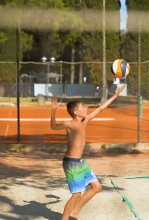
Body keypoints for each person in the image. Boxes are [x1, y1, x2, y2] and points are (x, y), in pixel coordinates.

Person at [50, 85, 125, 220]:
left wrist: (115, 95)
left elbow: (101, 108)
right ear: (76, 112)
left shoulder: (86, 120)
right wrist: (53, 111)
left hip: (80, 162)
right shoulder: (69, 124)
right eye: (82, 108)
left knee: (96, 186)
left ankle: (76, 211)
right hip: (71, 163)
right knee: (76, 195)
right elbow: (53, 126)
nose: (86, 109)